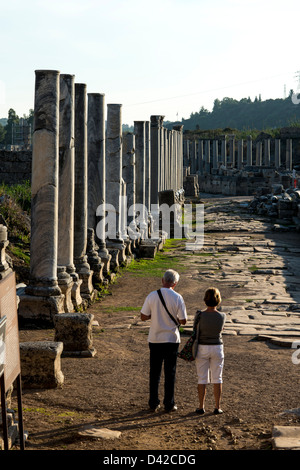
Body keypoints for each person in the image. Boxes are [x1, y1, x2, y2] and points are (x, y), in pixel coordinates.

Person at [140, 269, 187, 412]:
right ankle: (169, 403)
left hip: (155, 338)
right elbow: (183, 320)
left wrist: (155, 315)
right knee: (170, 372)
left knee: (154, 372)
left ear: (162, 280)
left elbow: (143, 316)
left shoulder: (152, 295)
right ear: (175, 283)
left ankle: (153, 403)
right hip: (172, 339)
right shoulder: (178, 297)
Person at [193, 287, 226, 415]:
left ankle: (201, 406)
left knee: (202, 378)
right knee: (217, 377)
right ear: (218, 300)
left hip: (202, 347)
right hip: (217, 346)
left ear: (205, 299)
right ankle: (217, 407)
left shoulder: (199, 315)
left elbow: (196, 330)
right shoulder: (222, 316)